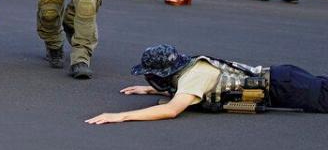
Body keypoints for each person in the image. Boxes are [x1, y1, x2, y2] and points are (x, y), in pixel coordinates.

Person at [86, 44, 328, 124]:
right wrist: (149, 89)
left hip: (285, 86)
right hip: (284, 79)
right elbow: (184, 88)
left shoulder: (193, 77)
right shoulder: (189, 68)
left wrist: (119, 116)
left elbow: (171, 110)